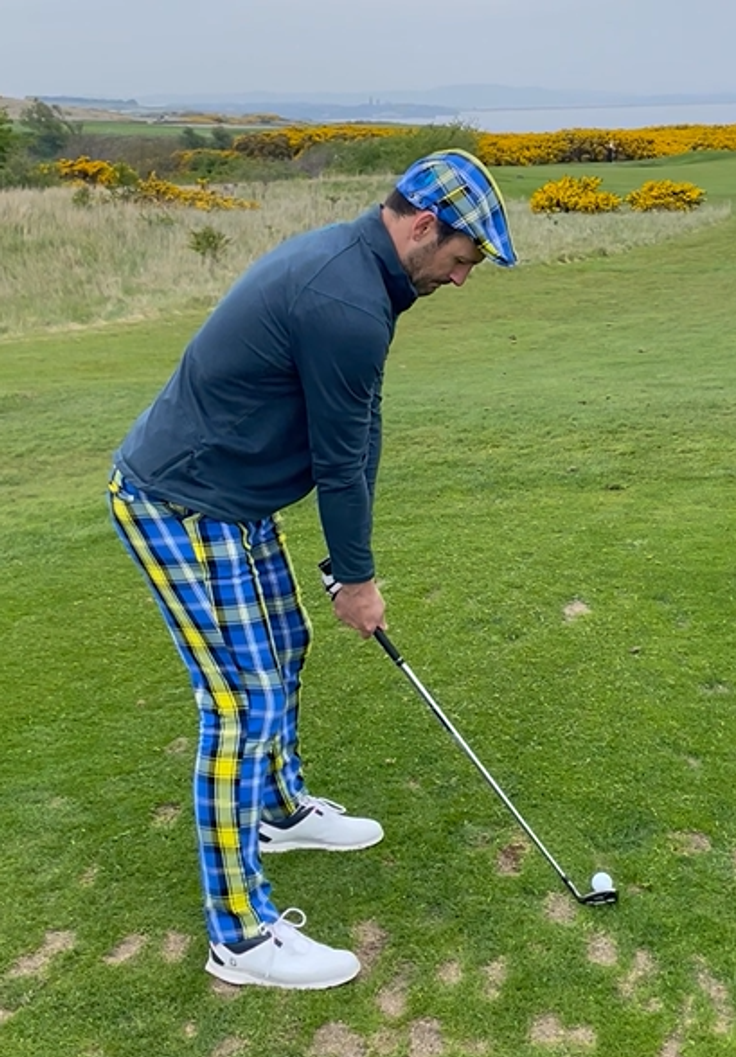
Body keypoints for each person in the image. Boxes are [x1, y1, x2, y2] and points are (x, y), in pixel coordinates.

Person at [106, 149, 517, 991]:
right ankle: (241, 936)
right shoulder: (345, 297)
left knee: (285, 641)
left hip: (235, 499)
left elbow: (358, 424)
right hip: (180, 499)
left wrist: (345, 559)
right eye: (462, 259)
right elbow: (337, 460)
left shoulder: (368, 279)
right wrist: (359, 580)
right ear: (424, 225)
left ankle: (279, 811)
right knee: (238, 701)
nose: (462, 278)